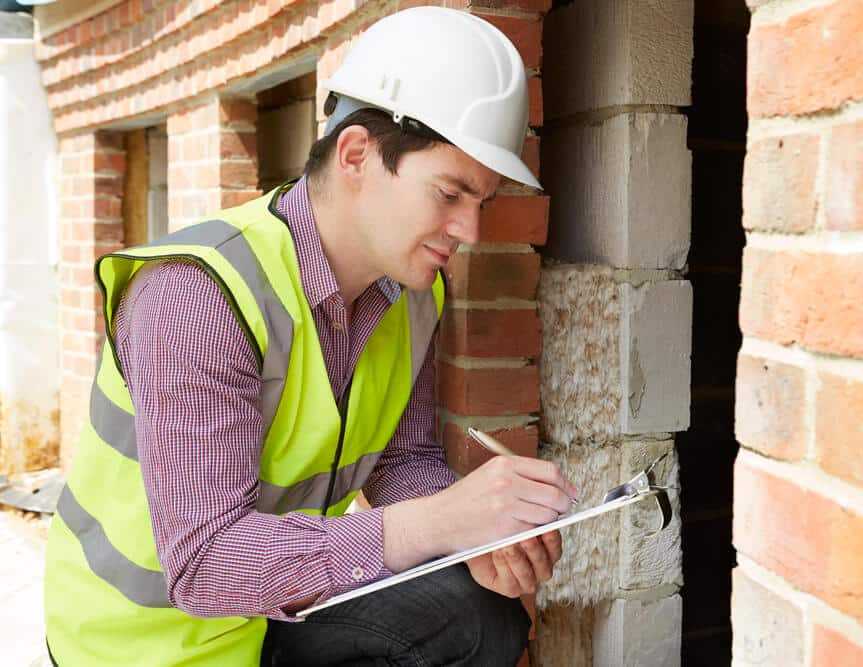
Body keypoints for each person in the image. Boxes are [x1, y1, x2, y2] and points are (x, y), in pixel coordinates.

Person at [44, 7, 577, 666]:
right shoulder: (198, 296)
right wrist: (437, 523)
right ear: (356, 153)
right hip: (136, 646)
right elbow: (206, 566)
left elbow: (399, 461)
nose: (469, 230)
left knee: (479, 613)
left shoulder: (413, 296)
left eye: (482, 202)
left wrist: (474, 541)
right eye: (450, 193)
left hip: (269, 618)